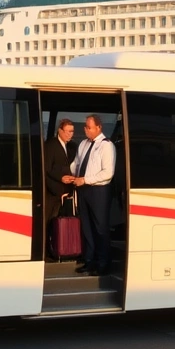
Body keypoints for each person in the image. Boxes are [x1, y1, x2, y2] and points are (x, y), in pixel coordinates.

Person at [64, 114, 116, 276]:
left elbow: (108, 173)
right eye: (85, 127)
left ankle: (103, 263)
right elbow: (77, 164)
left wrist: (85, 179)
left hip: (99, 191)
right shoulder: (83, 144)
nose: (86, 129)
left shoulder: (106, 146)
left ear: (99, 127)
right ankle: (89, 261)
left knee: (100, 228)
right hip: (83, 188)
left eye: (89, 127)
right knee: (86, 227)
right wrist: (72, 176)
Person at [43, 118, 76, 223]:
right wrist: (61, 177)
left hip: (66, 191)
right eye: (67, 131)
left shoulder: (72, 146)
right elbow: (47, 167)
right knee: (50, 220)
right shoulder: (50, 145)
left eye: (72, 131)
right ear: (60, 131)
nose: (70, 134)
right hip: (52, 191)